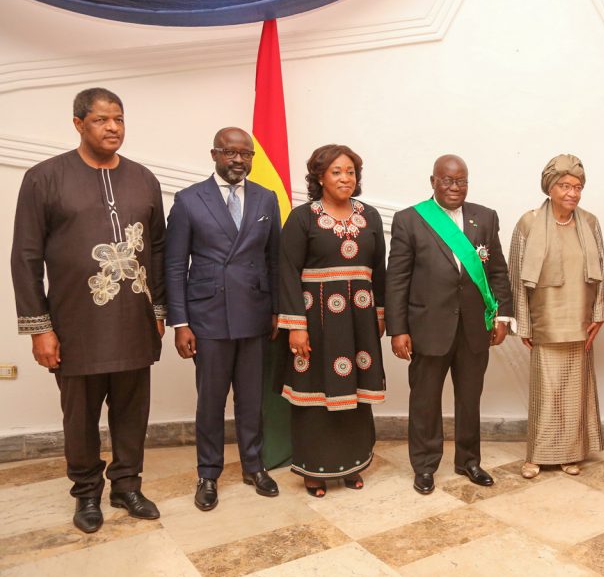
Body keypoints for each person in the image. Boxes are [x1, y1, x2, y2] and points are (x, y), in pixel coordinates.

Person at [11, 88, 165, 533]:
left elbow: (158, 247)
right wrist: (40, 327)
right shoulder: (45, 178)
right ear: (78, 123)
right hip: (76, 325)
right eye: (101, 120)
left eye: (118, 118)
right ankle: (86, 495)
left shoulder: (143, 178)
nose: (113, 127)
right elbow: (25, 256)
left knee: (133, 412)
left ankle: (127, 486)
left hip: (135, 324)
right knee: (80, 417)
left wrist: (158, 308)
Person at [165, 127, 282, 511]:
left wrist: (277, 311)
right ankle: (209, 474)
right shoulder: (188, 200)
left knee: (251, 399)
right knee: (211, 402)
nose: (238, 160)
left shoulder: (266, 198)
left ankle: (254, 465)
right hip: (207, 316)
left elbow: (274, 261)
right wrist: (180, 322)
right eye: (230, 152)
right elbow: (175, 264)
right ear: (214, 153)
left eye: (245, 154)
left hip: (254, 314)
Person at [386, 155, 513, 495]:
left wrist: (502, 316)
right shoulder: (409, 220)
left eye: (461, 181)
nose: (455, 187)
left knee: (470, 398)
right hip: (428, 327)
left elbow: (497, 270)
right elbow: (397, 279)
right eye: (447, 180)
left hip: (475, 326)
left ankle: (469, 460)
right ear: (433, 181)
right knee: (425, 400)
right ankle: (425, 466)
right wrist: (398, 329)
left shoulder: (484, 217)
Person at [276, 145, 387, 497]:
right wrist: (296, 325)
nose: (345, 178)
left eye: (351, 171)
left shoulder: (369, 216)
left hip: (359, 324)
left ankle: (352, 463)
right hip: (317, 322)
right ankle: (315, 469)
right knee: (316, 392)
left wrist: (380, 314)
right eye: (337, 171)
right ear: (320, 176)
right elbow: (287, 272)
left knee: (354, 389)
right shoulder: (302, 217)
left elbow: (379, 271)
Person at [509, 154, 604, 478]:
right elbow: (515, 278)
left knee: (573, 392)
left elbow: (601, 273)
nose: (572, 193)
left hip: (580, 322)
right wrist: (522, 323)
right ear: (550, 188)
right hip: (545, 323)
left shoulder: (590, 222)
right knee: (544, 392)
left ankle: (570, 454)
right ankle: (537, 455)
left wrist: (598, 315)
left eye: (577, 187)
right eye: (565, 185)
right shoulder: (527, 223)